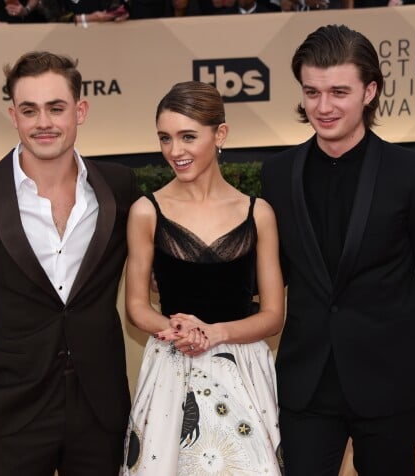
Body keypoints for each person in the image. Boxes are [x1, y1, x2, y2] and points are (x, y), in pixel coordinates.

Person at [261, 24, 415, 476]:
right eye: (312, 92)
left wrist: (385, 317)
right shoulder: (277, 174)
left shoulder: (412, 173)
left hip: (389, 383)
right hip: (305, 385)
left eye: (339, 92)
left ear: (370, 91)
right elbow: (275, 271)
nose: (323, 107)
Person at [0, 51, 140, 475]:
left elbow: (155, 269)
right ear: (14, 116)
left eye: (56, 108)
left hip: (101, 408)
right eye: (29, 110)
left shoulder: (119, 187)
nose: (43, 122)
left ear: (80, 110)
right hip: (11, 409)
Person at [122, 81, 285, 475]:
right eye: (165, 138)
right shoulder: (146, 211)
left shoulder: (258, 213)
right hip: (172, 366)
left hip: (243, 369)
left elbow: (274, 315)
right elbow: (137, 308)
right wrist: (181, 331)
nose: (175, 151)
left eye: (188, 137)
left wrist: (215, 333)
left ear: (220, 134)